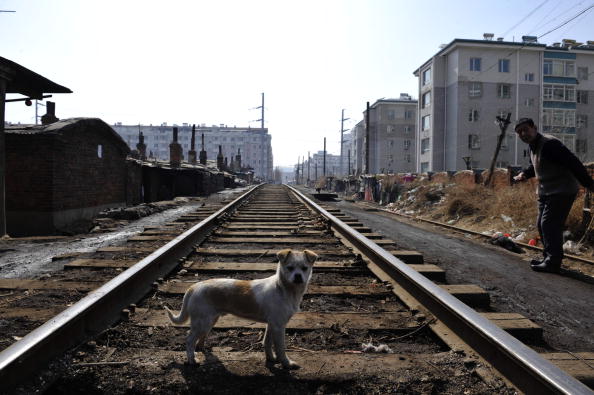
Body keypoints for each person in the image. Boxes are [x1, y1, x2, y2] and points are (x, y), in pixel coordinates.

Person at [513, 118, 594, 273]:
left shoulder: (550, 144)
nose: (523, 134)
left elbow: (573, 163)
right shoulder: (533, 146)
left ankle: (553, 262)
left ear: (534, 128)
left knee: (549, 224)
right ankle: (548, 257)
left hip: (562, 190)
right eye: (519, 132)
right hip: (547, 191)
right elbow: (536, 165)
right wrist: (524, 174)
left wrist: (589, 184)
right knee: (542, 225)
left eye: (525, 129)